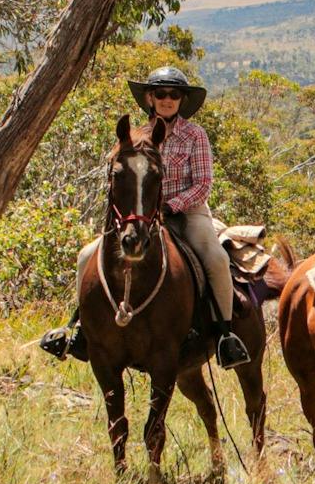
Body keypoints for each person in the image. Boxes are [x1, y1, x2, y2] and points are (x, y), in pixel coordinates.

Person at [41, 66, 251, 371]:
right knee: (87, 255)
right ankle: (80, 329)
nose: (167, 99)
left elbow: (203, 184)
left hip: (187, 211)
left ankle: (224, 335)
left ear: (182, 100)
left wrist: (171, 206)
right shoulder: (135, 136)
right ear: (150, 98)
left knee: (216, 259)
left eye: (174, 94)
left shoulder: (195, 135)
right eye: (161, 94)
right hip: (141, 214)